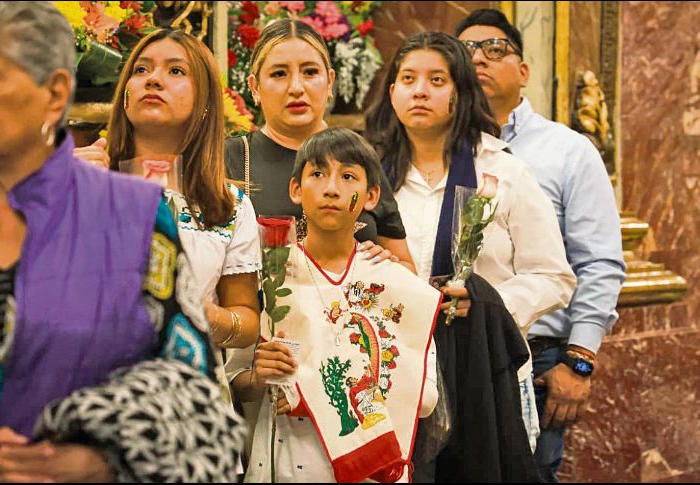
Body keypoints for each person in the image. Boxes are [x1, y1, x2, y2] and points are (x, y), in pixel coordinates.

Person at [0, 2, 243, 483]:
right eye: (140, 70)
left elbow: (198, 412)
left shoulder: (136, 216)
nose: (153, 81)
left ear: (54, 94)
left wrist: (96, 460)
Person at [364, 31, 576, 471]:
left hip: (481, 368)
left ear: (460, 95)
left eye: (437, 80)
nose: (420, 90)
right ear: (392, 92)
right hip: (386, 370)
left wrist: (485, 302)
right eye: (408, 78)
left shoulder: (503, 171)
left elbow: (554, 277)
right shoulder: (366, 173)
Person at [455, 9, 626, 482]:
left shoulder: (567, 151)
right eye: (466, 52)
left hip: (537, 352)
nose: (479, 61)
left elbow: (599, 263)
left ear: (524, 71)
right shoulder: (435, 149)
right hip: (450, 351)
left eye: (494, 49)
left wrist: (579, 361)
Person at [230, 128, 441, 482]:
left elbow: (424, 398)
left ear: (372, 195)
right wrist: (260, 375)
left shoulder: (394, 283)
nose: (331, 188)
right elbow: (237, 379)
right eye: (317, 174)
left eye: (348, 176)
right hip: (285, 464)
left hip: (372, 472)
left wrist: (309, 395)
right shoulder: (270, 274)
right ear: (295, 189)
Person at [76, 28, 263, 398]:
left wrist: (199, 316)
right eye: (141, 70)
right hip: (91, 395)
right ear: (125, 95)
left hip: (191, 402)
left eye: (176, 71)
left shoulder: (228, 204)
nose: (154, 79)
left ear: (205, 100)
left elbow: (247, 319)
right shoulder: (79, 177)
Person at [224, 19, 416, 273]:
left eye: (310, 72)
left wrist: (387, 265)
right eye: (279, 73)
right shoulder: (232, 158)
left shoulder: (358, 156)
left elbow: (408, 270)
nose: (296, 87)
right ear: (255, 88)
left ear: (330, 82)